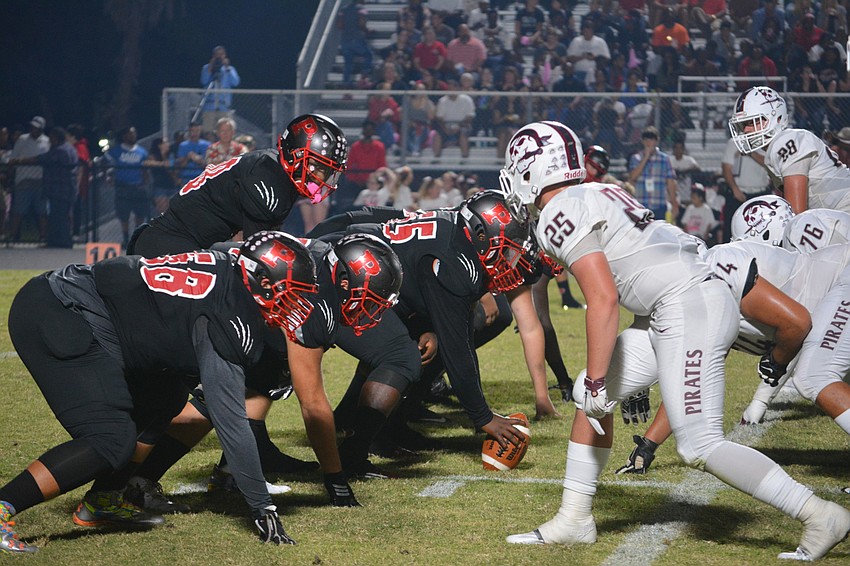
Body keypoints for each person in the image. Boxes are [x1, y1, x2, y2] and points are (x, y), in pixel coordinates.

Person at [499, 120, 850, 560]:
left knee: (697, 443)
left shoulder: (558, 212)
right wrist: (595, 384)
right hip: (676, 302)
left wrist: (597, 383)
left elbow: (603, 299)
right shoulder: (594, 191)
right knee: (588, 391)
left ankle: (819, 514)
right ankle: (575, 518)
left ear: (531, 170)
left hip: (688, 302)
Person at [0, 232, 321, 553]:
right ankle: (4, 505)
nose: (295, 305)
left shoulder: (232, 266)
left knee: (165, 397)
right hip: (62, 311)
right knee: (110, 439)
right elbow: (231, 423)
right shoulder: (231, 316)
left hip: (86, 310)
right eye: (290, 293)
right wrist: (262, 509)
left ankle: (103, 500)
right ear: (261, 280)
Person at [123, 233, 410, 504]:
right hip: (179, 310)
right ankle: (127, 482)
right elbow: (312, 403)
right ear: (346, 283)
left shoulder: (325, 270)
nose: (371, 311)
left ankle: (225, 474)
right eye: (370, 299)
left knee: (265, 378)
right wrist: (335, 477)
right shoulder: (316, 303)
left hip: (211, 303)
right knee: (172, 404)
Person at [308, 191, 534, 462]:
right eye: (506, 248)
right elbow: (457, 348)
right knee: (400, 355)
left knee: (420, 343)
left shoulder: (457, 233)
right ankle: (355, 452)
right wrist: (483, 416)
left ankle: (364, 424)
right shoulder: (454, 259)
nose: (509, 259)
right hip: (343, 281)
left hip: (368, 279)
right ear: (481, 235)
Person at [129, 113, 347, 257]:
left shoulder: (278, 174)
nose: (320, 177)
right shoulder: (267, 179)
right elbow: (257, 254)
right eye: (318, 167)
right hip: (170, 244)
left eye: (327, 172)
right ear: (294, 155)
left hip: (192, 242)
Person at [729, 86, 850, 214]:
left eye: (751, 122)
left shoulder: (785, 141)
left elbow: (797, 217)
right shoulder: (776, 149)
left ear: (777, 118)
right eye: (743, 125)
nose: (746, 130)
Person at [30, 127, 78, 248]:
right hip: (65, 188)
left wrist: (20, 160)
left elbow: (43, 158)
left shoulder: (61, 150)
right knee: (59, 216)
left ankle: (62, 242)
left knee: (59, 217)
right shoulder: (69, 148)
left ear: (56, 137)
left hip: (60, 189)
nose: (49, 139)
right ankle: (59, 241)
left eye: (51, 136)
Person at [105, 126, 149, 249]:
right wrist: (109, 176)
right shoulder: (116, 151)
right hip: (123, 187)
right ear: (124, 136)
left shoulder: (142, 151)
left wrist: (145, 181)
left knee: (139, 214)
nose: (133, 136)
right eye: (130, 134)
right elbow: (107, 165)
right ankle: (125, 239)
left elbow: (144, 168)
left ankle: (136, 239)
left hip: (137, 186)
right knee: (124, 214)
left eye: (134, 133)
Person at [7, 116, 49, 243]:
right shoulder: (22, 139)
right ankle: (12, 236)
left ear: (41, 128)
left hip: (40, 180)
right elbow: (13, 158)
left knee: (42, 211)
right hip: (23, 179)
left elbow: (46, 159)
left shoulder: (46, 141)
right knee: (18, 210)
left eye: (36, 127)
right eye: (32, 126)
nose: (33, 129)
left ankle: (43, 236)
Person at [627, 126, 678, 222]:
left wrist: (673, 201)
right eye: (646, 139)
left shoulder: (664, 159)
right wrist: (645, 157)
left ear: (656, 141)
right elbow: (633, 176)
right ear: (642, 141)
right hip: (641, 204)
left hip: (659, 204)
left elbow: (670, 181)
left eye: (651, 139)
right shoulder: (636, 158)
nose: (648, 142)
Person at [199, 45, 240, 135]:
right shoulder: (206, 68)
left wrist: (227, 67)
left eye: (221, 55)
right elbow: (204, 81)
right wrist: (210, 68)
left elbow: (235, 82)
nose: (218, 57)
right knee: (208, 132)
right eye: (216, 55)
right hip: (209, 106)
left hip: (224, 106)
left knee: (225, 131)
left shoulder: (229, 69)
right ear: (213, 56)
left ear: (225, 56)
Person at [432, 79, 475, 160]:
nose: (450, 91)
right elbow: (439, 118)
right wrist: (445, 128)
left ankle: (464, 159)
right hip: (446, 126)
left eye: (452, 89)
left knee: (463, 134)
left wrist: (459, 126)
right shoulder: (442, 100)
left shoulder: (467, 99)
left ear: (457, 89)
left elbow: (470, 117)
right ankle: (436, 159)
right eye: (449, 89)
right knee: (437, 135)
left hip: (463, 125)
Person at [144, 137, 179, 216]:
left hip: (172, 186)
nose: (168, 144)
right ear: (160, 145)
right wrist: (161, 164)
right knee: (162, 213)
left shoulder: (170, 155)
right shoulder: (153, 156)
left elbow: (172, 169)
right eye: (165, 143)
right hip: (160, 187)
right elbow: (147, 163)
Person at [175, 121, 211, 187]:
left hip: (201, 178)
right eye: (192, 131)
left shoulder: (207, 145)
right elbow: (180, 166)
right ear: (189, 131)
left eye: (197, 131)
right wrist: (187, 158)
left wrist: (199, 161)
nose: (195, 133)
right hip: (186, 178)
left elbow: (209, 165)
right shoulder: (183, 146)